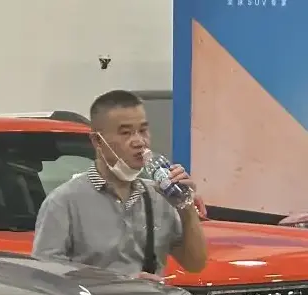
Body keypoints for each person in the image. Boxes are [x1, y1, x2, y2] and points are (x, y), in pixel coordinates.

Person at [32, 89, 208, 281]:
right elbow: (46, 279)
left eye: (143, 130)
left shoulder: (158, 196)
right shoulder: (64, 203)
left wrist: (186, 207)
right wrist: (122, 284)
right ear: (98, 141)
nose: (139, 142)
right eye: (125, 133)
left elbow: (195, 264)